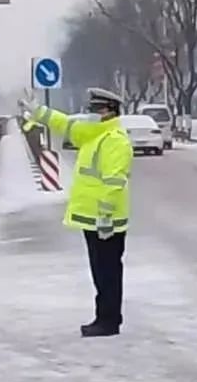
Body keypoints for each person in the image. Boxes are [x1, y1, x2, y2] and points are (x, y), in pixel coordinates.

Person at [21, 87, 133, 337]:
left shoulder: (114, 139)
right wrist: (39, 112)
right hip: (93, 219)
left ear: (109, 111)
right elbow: (65, 124)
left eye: (96, 109)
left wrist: (105, 216)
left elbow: (115, 182)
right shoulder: (94, 134)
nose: (90, 114)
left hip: (106, 221)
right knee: (100, 271)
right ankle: (104, 317)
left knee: (108, 273)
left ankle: (108, 321)